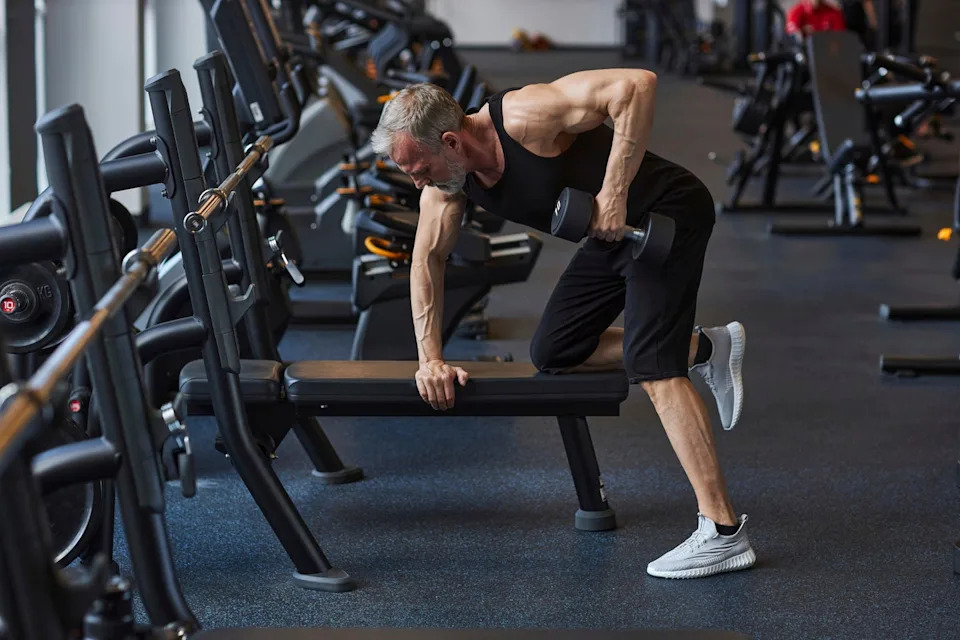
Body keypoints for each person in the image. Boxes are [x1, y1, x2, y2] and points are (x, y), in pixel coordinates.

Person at [368, 72, 755, 579]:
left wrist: (614, 193)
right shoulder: (448, 184)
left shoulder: (526, 116)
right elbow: (427, 262)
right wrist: (430, 360)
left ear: (450, 141)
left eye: (420, 169)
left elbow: (636, 85)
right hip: (614, 237)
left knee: (653, 368)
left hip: (667, 214)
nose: (418, 182)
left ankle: (724, 531)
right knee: (555, 351)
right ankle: (704, 348)